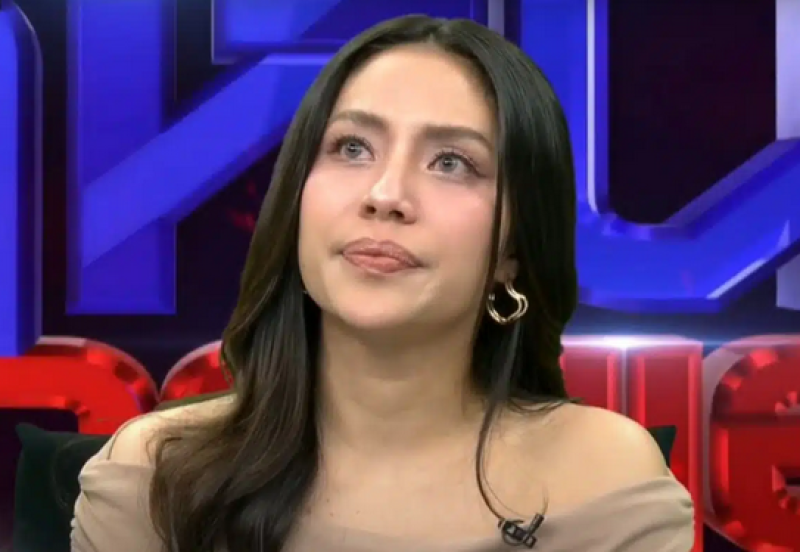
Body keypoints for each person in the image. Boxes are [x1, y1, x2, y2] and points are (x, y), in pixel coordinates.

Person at [70, 14, 694, 552]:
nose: (386, 194)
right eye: (352, 148)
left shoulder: (605, 478)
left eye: (451, 162)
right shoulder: (154, 474)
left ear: (513, 251)